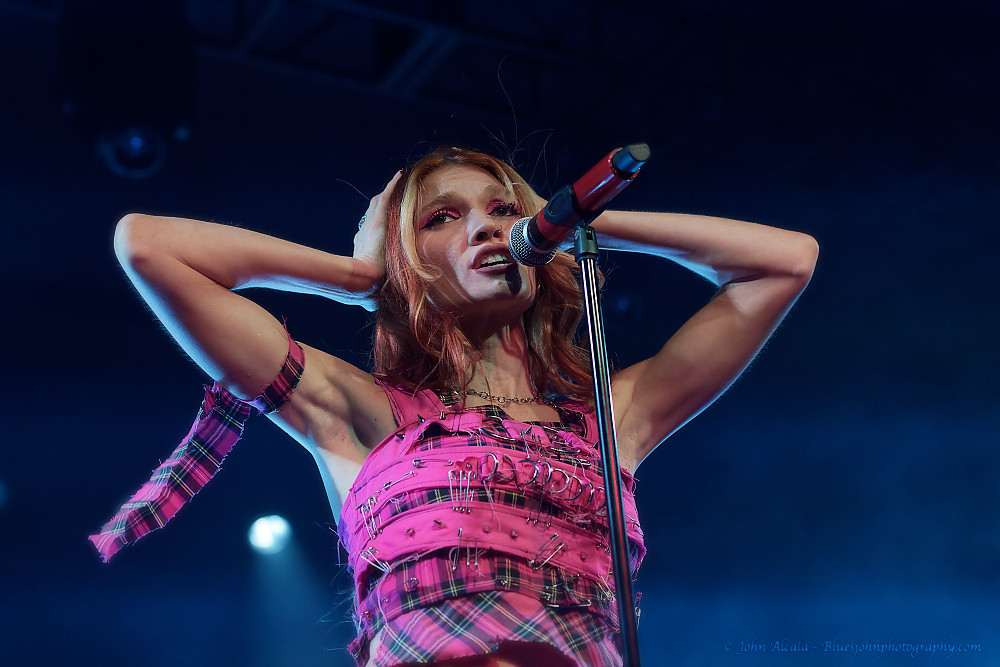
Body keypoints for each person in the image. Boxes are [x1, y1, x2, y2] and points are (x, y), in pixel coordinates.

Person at [93, 146, 818, 666]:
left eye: (503, 210)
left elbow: (784, 262)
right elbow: (149, 246)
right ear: (408, 258)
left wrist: (572, 223)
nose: (486, 227)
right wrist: (356, 274)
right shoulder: (364, 413)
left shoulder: (611, 416)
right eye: (443, 216)